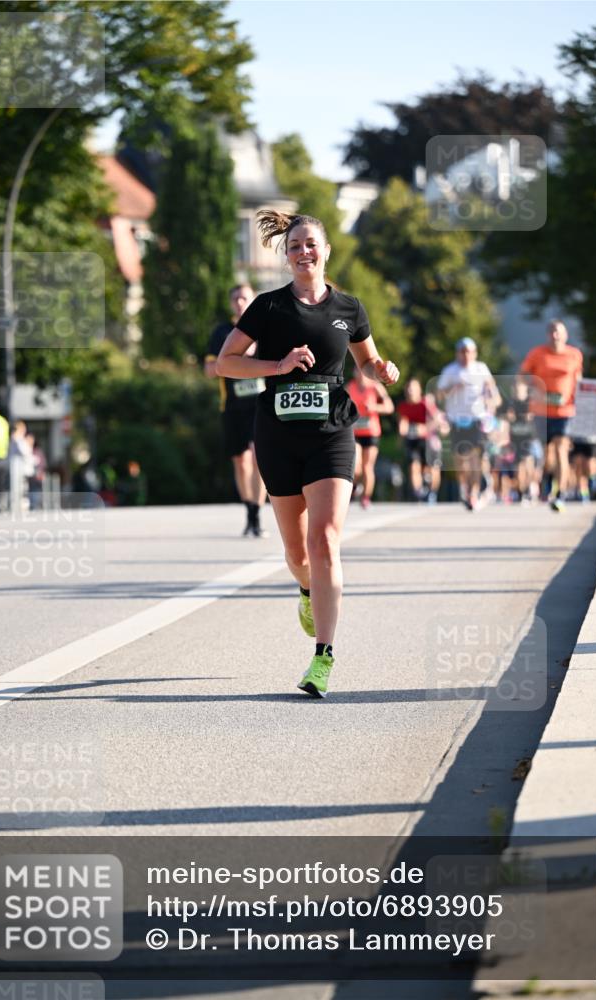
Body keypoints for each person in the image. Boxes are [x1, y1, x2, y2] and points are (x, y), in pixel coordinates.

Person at [216, 210, 399, 697]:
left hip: (332, 433)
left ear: (326, 250)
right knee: (297, 554)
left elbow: (366, 362)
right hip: (277, 436)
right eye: (294, 246)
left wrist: (382, 370)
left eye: (310, 244)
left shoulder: (349, 307)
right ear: (286, 254)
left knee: (324, 541)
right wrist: (278, 365)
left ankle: (322, 656)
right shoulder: (268, 308)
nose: (303, 253)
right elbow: (225, 363)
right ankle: (304, 589)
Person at [205, 284, 268, 537]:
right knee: (241, 463)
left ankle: (256, 515)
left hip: (261, 405)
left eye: (244, 298)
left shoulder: (265, 329)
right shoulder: (222, 332)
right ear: (231, 304)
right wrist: (232, 359)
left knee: (258, 458)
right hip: (232, 406)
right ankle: (249, 510)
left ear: (252, 301)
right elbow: (209, 370)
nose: (240, 302)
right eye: (235, 299)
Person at [520, 319, 583, 512]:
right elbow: (522, 376)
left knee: (561, 450)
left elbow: (578, 380)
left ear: (565, 335)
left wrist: (579, 399)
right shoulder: (537, 353)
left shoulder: (574, 355)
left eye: (559, 332)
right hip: (541, 411)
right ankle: (549, 482)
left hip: (565, 411)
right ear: (549, 335)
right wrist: (531, 393)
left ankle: (560, 494)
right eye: (553, 332)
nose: (556, 336)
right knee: (548, 456)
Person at [437, 338, 500, 510]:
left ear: (475, 353)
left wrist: (490, 401)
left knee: (476, 459)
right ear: (458, 353)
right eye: (462, 351)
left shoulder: (481, 368)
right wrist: (454, 387)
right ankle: (465, 488)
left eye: (469, 351)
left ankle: (473, 494)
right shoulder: (450, 370)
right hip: (457, 420)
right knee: (461, 461)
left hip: (477, 419)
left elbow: (492, 391)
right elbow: (440, 395)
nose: (466, 355)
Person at [346, 366, 394, 508]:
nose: (359, 374)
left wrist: (374, 407)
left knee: (368, 467)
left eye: (362, 371)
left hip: (371, 432)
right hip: (355, 432)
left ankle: (366, 497)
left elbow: (389, 407)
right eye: (357, 371)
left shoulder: (376, 387)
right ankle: (355, 486)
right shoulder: (350, 387)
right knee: (356, 465)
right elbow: (343, 407)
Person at [396, 378, 445, 502]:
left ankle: (432, 492)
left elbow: (438, 421)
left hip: (429, 441)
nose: (410, 391)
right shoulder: (403, 406)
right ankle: (419, 494)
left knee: (432, 469)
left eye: (413, 388)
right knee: (413, 467)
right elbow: (402, 424)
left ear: (419, 390)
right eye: (408, 388)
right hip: (412, 441)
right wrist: (402, 431)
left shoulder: (426, 403)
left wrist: (424, 428)